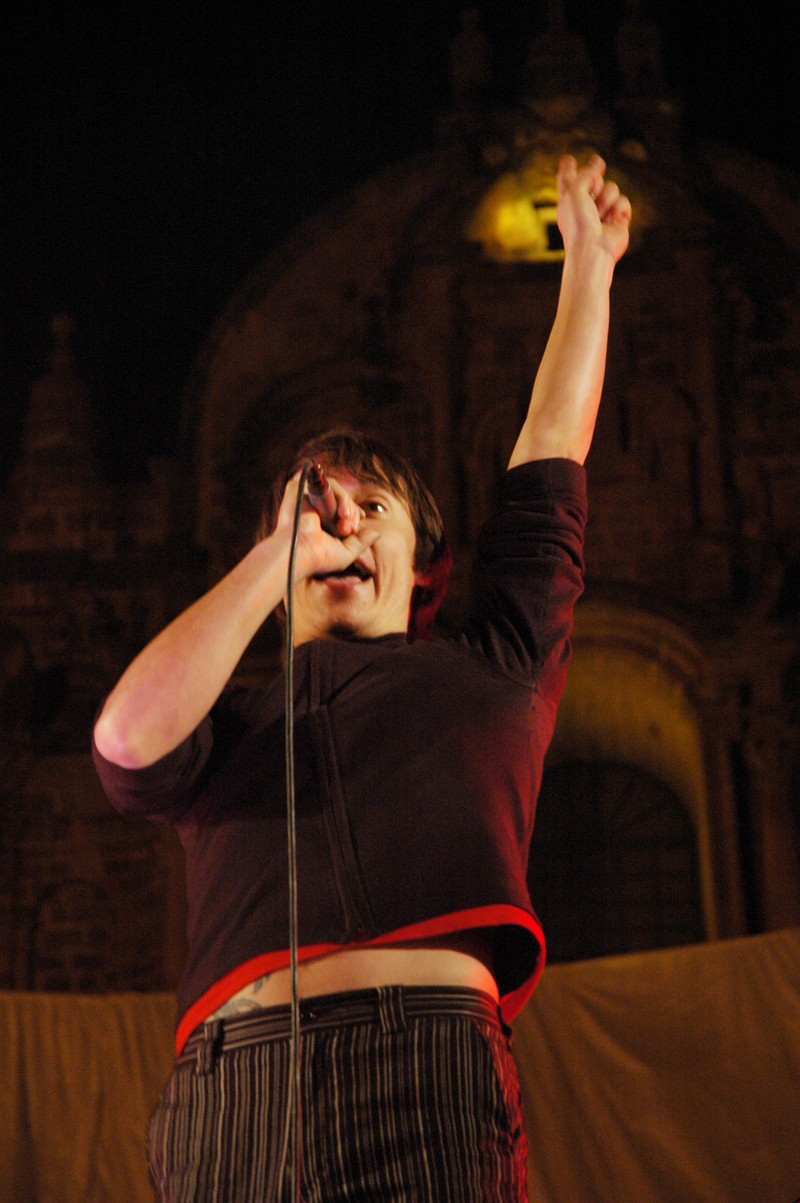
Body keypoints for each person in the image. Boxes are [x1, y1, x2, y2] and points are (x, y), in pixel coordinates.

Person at [93, 154, 631, 1202]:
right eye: (317, 507)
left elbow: (548, 456)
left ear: (420, 562)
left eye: (368, 509)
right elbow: (124, 739)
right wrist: (271, 553)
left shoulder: (491, 665)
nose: (339, 522)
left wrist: (591, 270)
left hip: (421, 1068)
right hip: (227, 1091)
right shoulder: (229, 725)